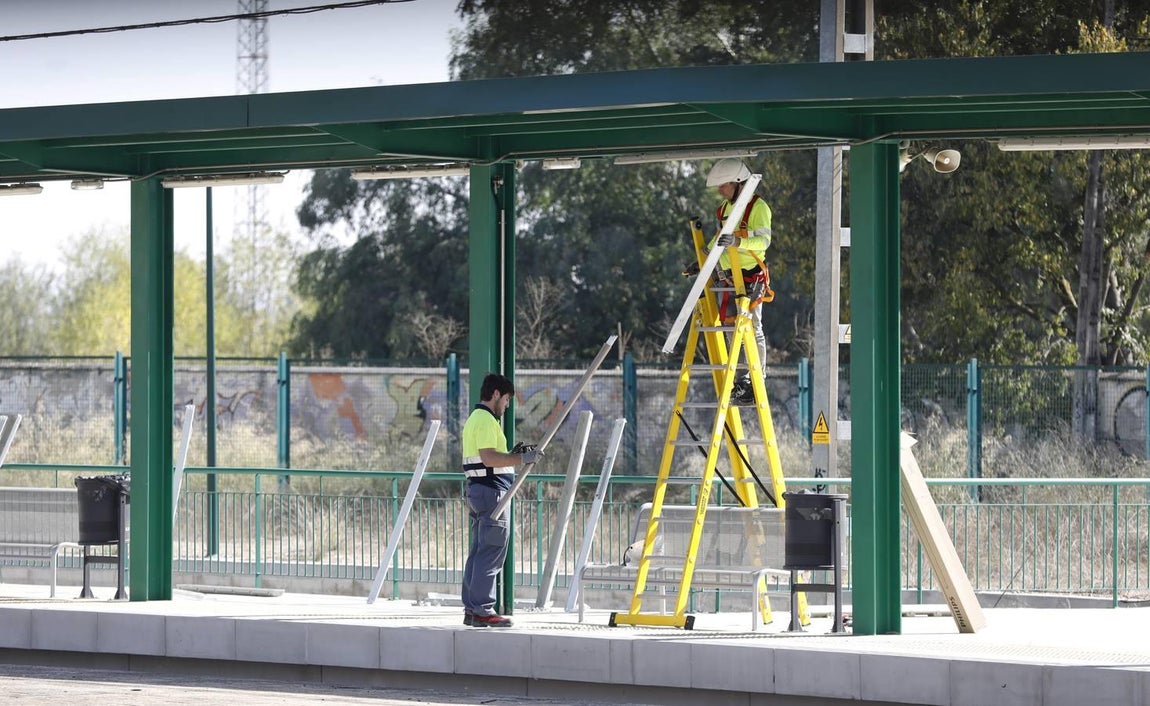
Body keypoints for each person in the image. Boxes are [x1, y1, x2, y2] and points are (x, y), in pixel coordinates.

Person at [460, 372, 542, 628]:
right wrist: (520, 460)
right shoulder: (485, 420)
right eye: (506, 400)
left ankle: (473, 609)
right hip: (492, 493)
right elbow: (489, 458)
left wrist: (511, 456)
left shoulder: (475, 419)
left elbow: (490, 458)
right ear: (495, 394)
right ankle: (483, 609)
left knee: (478, 551)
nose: (507, 406)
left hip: (479, 490)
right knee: (492, 550)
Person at [705, 157, 772, 404]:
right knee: (733, 328)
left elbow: (764, 242)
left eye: (724, 184)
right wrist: (703, 259)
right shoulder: (724, 209)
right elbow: (718, 240)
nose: (720, 189)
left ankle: (758, 379)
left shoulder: (758, 207)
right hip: (730, 276)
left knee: (753, 328)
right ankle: (741, 380)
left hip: (752, 276)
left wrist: (738, 242)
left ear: (739, 183)